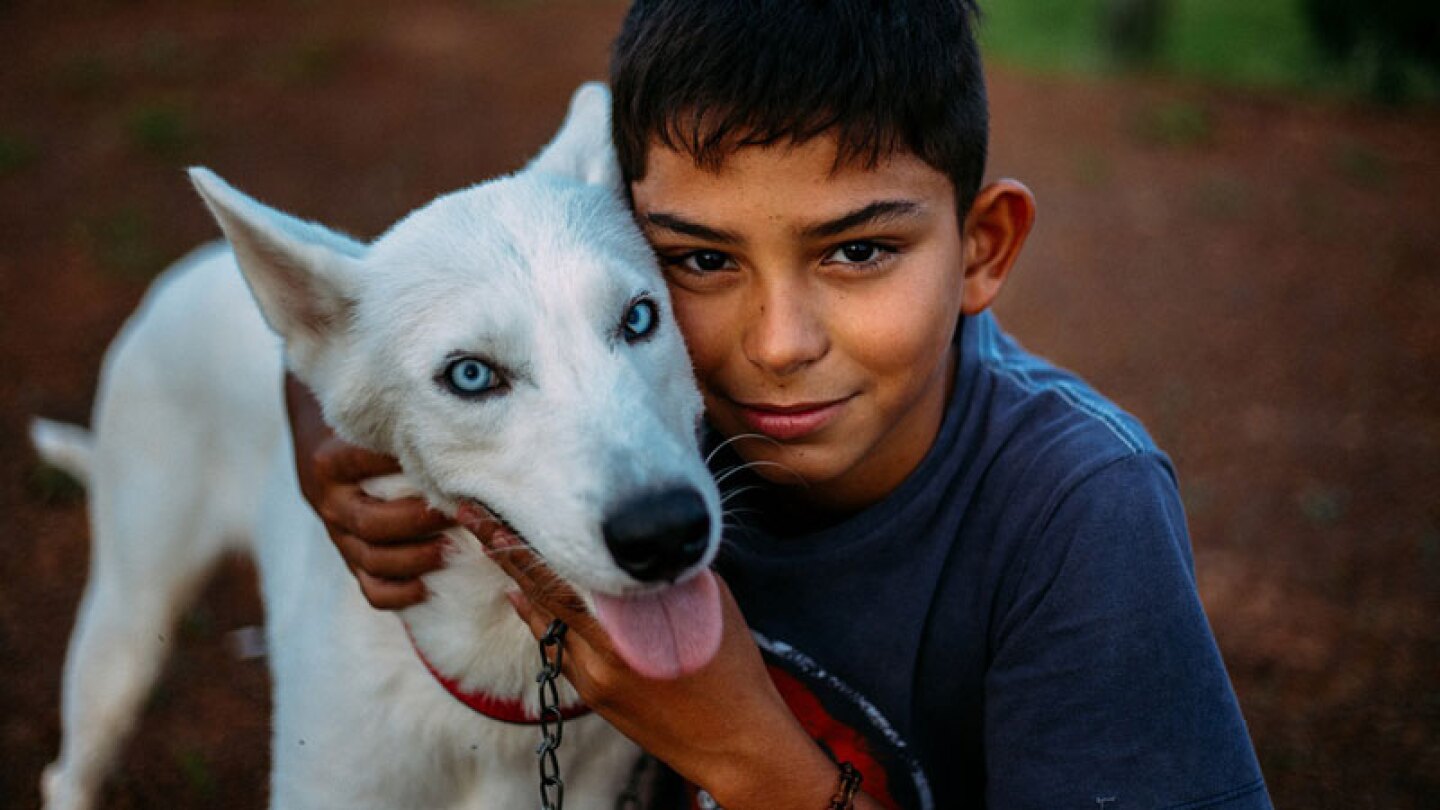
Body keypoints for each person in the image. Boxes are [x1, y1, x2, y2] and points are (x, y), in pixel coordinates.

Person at [285, 1, 1271, 807]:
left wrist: (746, 758)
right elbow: (430, 311)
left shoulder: (1075, 508)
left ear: (982, 248)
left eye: (860, 250)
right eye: (703, 262)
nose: (779, 344)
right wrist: (328, 443)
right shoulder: (646, 424)